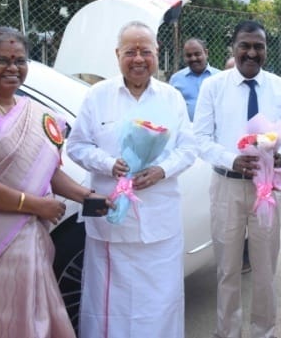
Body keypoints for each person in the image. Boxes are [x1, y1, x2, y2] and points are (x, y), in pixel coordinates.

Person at [0, 27, 109, 337]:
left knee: (29, 316)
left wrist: (90, 197)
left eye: (20, 60)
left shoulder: (35, 112)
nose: (13, 68)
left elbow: (49, 172)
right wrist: (35, 206)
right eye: (1, 60)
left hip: (29, 239)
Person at [67, 21, 197, 338]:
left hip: (159, 226)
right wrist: (109, 164)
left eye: (145, 51)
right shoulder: (98, 95)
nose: (138, 58)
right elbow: (76, 146)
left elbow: (189, 148)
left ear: (157, 53)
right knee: (109, 305)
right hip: (111, 224)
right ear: (117, 55)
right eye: (130, 52)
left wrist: (161, 170)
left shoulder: (171, 98)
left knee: (159, 304)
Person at [193, 20, 281, 338]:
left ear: (266, 50)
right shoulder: (213, 86)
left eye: (258, 46)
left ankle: (263, 331)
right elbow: (200, 138)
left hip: (265, 189)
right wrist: (232, 160)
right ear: (234, 48)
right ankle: (227, 331)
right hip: (226, 185)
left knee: (265, 267)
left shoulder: (280, 87)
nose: (252, 53)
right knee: (227, 268)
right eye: (245, 45)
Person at [169, 37, 220, 120]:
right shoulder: (176, 79)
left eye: (197, 54)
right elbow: (170, 107)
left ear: (206, 53)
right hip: (185, 127)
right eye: (189, 55)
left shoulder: (219, 77)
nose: (193, 58)